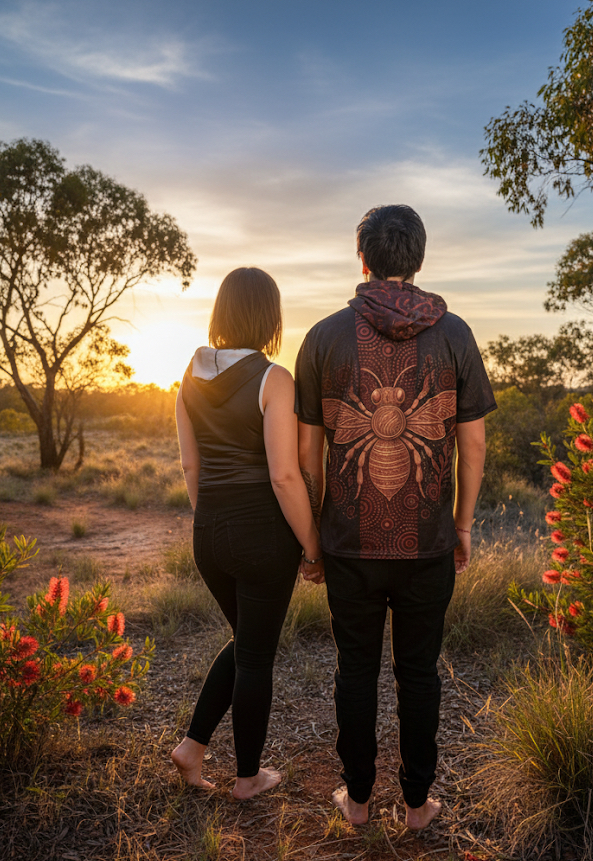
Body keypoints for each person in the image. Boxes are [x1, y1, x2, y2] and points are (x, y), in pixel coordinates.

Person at [296, 205, 496, 829]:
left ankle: (356, 801)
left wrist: (313, 540)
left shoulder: (323, 337)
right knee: (419, 673)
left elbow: (308, 452)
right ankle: (416, 804)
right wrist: (461, 524)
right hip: (429, 544)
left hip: (348, 544)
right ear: (418, 258)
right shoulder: (456, 334)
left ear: (363, 258)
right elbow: (475, 444)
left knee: (353, 669)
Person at [171, 267, 323, 799]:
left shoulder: (187, 375)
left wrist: (212, 517)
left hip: (208, 533)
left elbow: (190, 469)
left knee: (246, 644)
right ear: (269, 317)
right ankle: (247, 778)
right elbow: (284, 476)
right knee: (256, 656)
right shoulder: (272, 378)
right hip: (261, 537)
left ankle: (192, 748)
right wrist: (312, 545)